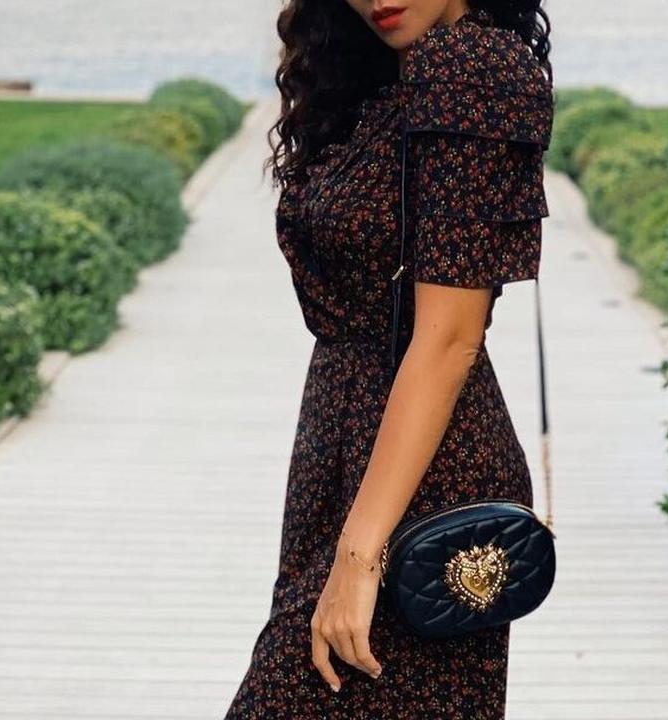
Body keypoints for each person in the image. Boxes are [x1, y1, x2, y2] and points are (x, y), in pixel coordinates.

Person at [222, 1, 554, 717]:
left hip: (424, 479)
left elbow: (451, 336)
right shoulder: (389, 76)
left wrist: (358, 555)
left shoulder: (472, 66)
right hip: (349, 455)